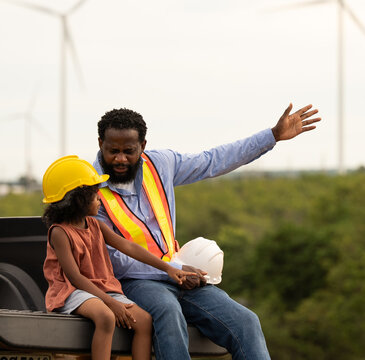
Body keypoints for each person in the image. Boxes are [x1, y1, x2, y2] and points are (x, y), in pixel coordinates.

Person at [93, 103, 321, 360]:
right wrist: (171, 270)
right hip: (135, 283)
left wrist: (272, 136)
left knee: (246, 321)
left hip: (179, 274)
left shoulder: (161, 164)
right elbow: (114, 261)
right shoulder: (90, 190)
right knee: (168, 312)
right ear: (101, 143)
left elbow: (213, 160)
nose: (120, 159)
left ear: (143, 146)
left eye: (128, 151)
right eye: (113, 151)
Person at [41, 155, 196, 360]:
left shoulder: (96, 225)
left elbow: (128, 246)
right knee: (105, 317)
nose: (100, 198)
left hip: (102, 288)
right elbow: (75, 277)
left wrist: (168, 267)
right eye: (94, 193)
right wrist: (111, 304)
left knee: (143, 320)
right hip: (72, 291)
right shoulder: (60, 232)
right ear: (77, 199)